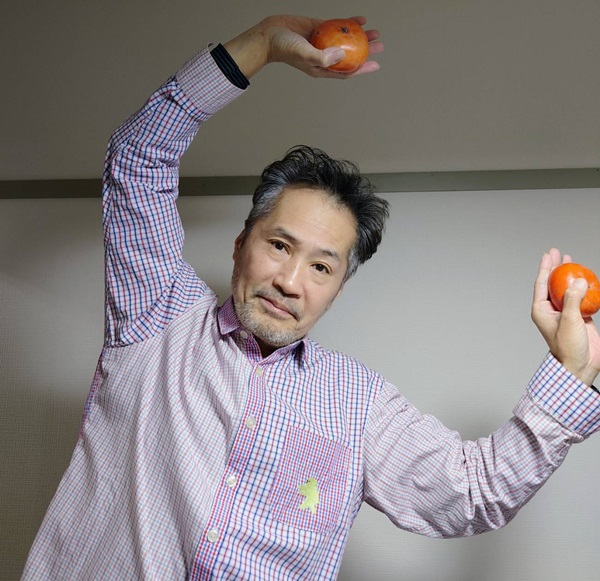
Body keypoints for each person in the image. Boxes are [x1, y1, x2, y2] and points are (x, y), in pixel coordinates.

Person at [22, 14, 600, 581]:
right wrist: (262, 43)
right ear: (240, 245)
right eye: (279, 245)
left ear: (337, 289)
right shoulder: (159, 314)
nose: (291, 281)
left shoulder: (359, 404)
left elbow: (473, 491)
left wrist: (570, 371)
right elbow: (137, 158)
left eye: (321, 266)